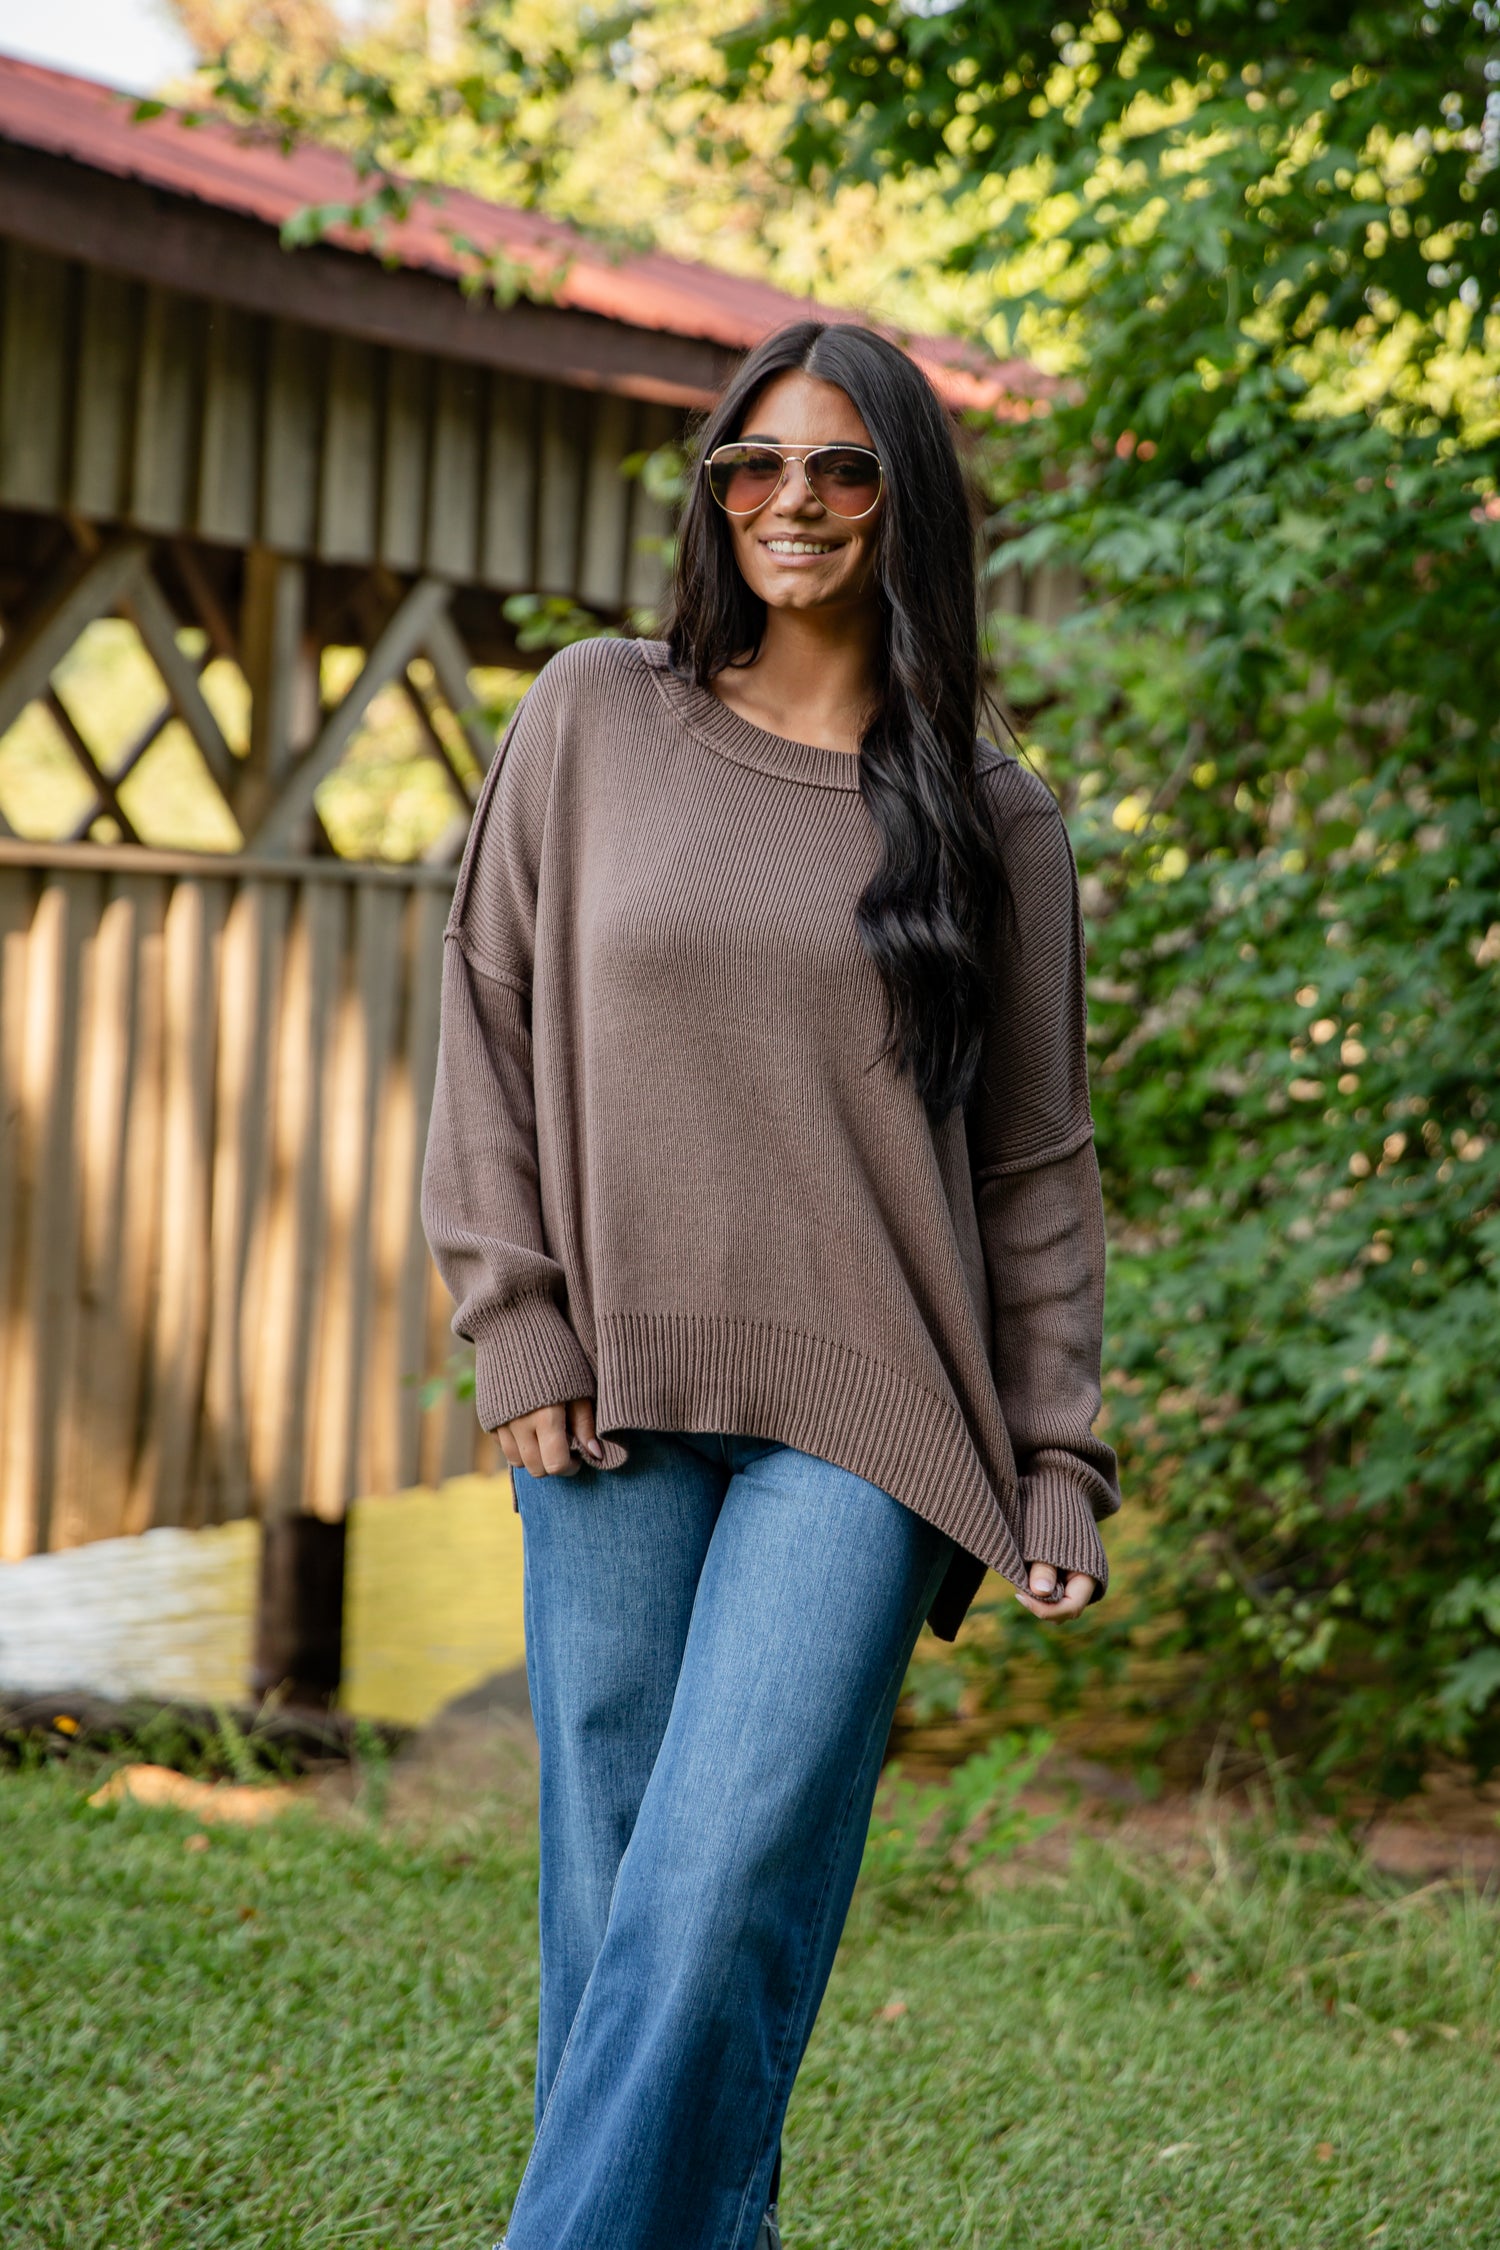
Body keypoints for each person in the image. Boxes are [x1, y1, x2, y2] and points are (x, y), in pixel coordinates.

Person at [421, 318, 1120, 2250]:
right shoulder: (593, 714)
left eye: (839, 467)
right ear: (715, 488)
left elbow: (1035, 1161)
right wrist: (515, 1316)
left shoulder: (992, 814)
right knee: (615, 1896)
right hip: (613, 1382)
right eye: (753, 463)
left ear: (907, 501)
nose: (789, 501)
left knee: (720, 1874)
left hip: (873, 1413)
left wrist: (1058, 1451)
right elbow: (484, 1014)